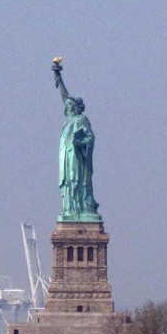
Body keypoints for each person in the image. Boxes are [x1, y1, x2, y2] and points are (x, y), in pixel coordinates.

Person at [53, 61, 100, 219]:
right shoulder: (69, 121)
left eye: (71, 106)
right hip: (67, 158)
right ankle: (70, 209)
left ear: (77, 108)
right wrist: (59, 78)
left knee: (75, 182)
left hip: (77, 159)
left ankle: (79, 208)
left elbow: (90, 137)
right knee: (67, 183)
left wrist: (80, 143)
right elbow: (65, 97)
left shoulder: (81, 120)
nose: (68, 107)